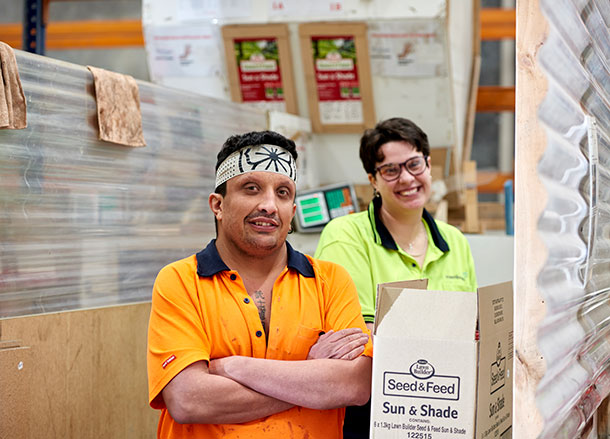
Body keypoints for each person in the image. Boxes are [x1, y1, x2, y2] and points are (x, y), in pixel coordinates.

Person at [147, 130, 373, 439]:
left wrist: (235, 368)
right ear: (218, 205)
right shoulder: (180, 281)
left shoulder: (330, 281)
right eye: (251, 188)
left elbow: (355, 385)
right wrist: (310, 377)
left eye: (283, 193)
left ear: (292, 212)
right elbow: (189, 400)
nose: (269, 204)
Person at [315, 117, 477, 439]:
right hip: (375, 407)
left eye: (414, 164)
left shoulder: (454, 240)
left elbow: (471, 327)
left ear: (429, 166)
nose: (407, 178)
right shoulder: (346, 236)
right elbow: (353, 338)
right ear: (373, 180)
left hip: (446, 403)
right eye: (390, 170)